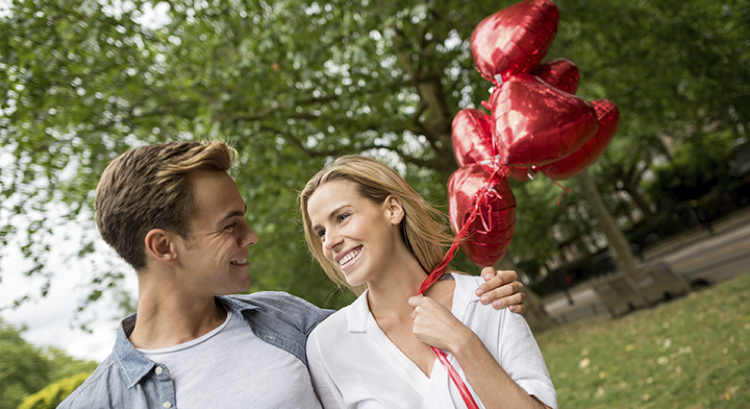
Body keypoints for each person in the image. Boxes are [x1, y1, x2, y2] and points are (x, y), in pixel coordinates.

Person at [59, 140, 526, 408]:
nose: (252, 235)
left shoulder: (288, 321)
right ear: (164, 247)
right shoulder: (98, 403)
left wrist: (475, 295)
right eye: (230, 225)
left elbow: (387, 326)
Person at [300, 155, 556, 409]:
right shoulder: (327, 345)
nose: (330, 241)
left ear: (392, 209)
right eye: (321, 232)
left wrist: (463, 343)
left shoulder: (488, 298)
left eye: (342, 217)